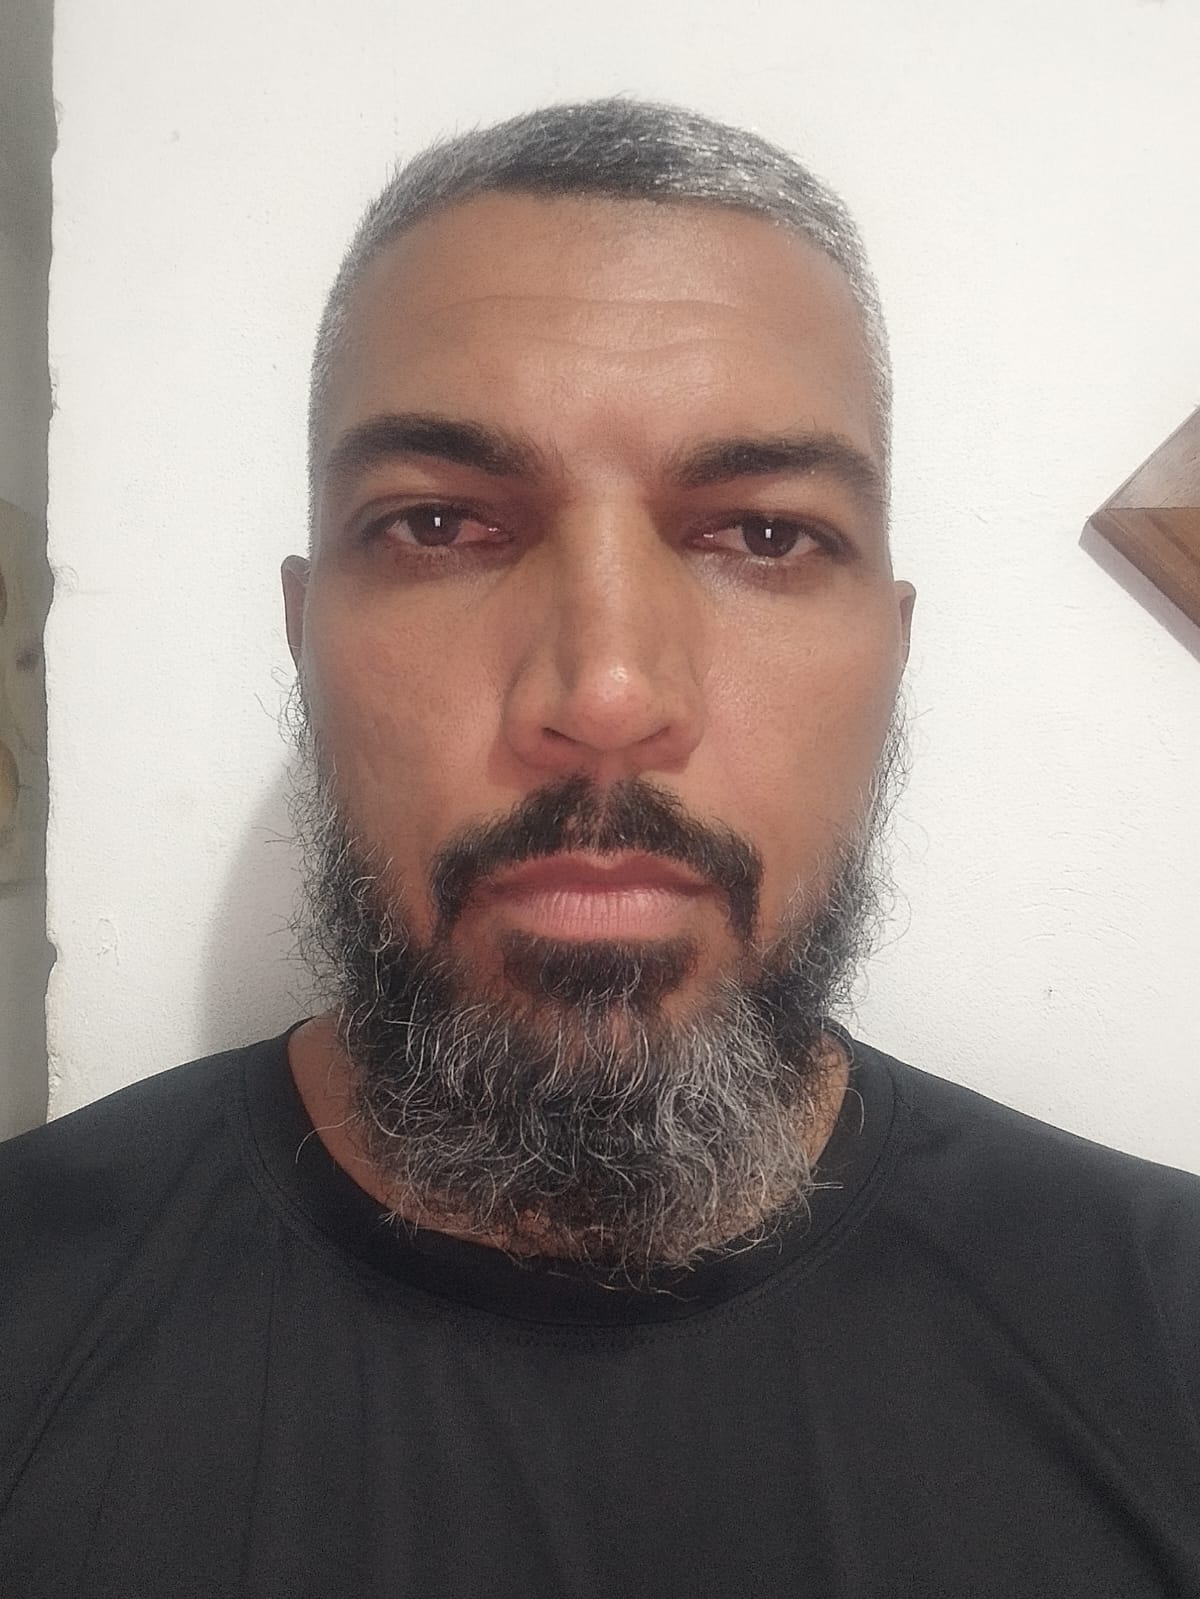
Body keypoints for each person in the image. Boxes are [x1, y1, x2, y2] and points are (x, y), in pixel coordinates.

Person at [1, 98, 1197, 1599]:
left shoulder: (1167, 1338)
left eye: (764, 534)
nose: (608, 695)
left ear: (891, 659)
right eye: (439, 525)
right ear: (304, 639)